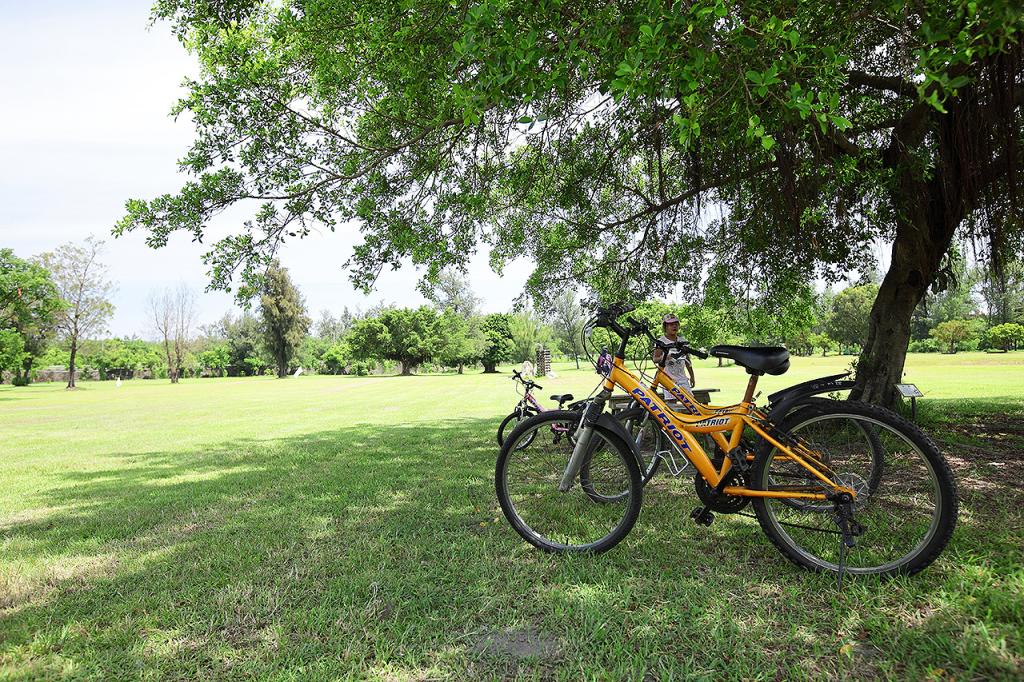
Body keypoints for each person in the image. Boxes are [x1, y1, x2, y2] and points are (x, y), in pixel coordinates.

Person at [653, 313, 695, 393]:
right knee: (671, 403)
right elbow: (655, 359)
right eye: (671, 324)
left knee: (690, 402)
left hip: (683, 379)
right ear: (665, 327)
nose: (674, 326)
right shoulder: (661, 342)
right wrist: (665, 357)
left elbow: (688, 361)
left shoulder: (682, 341)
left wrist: (692, 376)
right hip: (668, 379)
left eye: (676, 324)